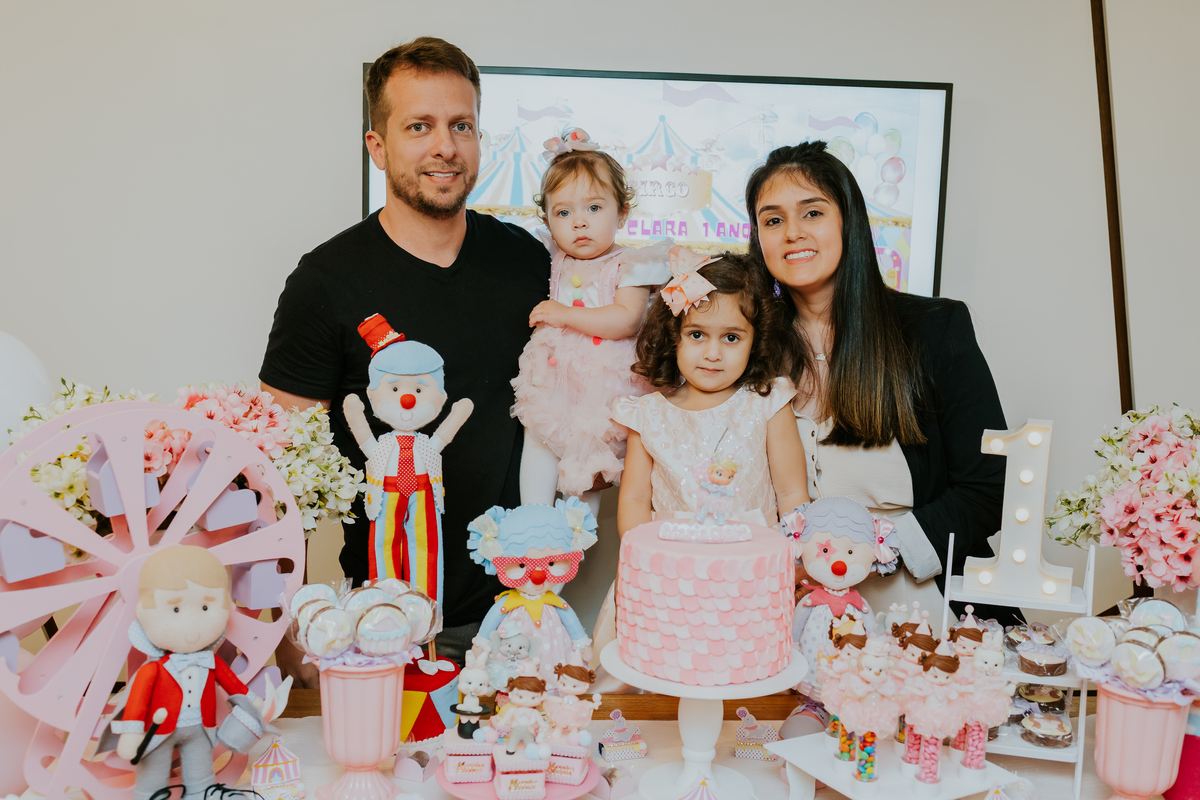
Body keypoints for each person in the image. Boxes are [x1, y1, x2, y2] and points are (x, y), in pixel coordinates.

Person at [259, 37, 550, 685]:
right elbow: (279, 480)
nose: (444, 146)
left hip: (515, 614)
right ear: (378, 146)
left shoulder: (530, 265)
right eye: (419, 126)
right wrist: (286, 637)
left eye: (461, 125)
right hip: (377, 623)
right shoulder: (325, 281)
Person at [742, 141, 1010, 736]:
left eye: (812, 211)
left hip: (911, 605)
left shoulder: (934, 330)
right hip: (780, 614)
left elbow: (987, 486)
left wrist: (882, 548)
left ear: (850, 220)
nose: (792, 232)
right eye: (772, 219)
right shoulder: (747, 347)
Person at [589, 253, 811, 687]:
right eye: (696, 334)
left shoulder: (768, 402)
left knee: (746, 685)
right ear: (674, 337)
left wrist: (795, 563)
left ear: (756, 340)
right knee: (652, 684)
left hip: (751, 584)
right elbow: (634, 499)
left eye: (731, 337)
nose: (712, 353)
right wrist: (647, 563)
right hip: (667, 582)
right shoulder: (647, 415)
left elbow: (792, 494)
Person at [512, 132, 675, 517]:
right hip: (552, 383)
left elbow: (626, 318)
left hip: (599, 389)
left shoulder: (631, 264)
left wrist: (563, 314)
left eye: (594, 209)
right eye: (563, 213)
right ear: (548, 220)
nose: (579, 223)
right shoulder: (554, 258)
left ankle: (568, 548)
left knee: (585, 467)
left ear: (622, 212)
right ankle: (531, 526)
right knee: (538, 438)